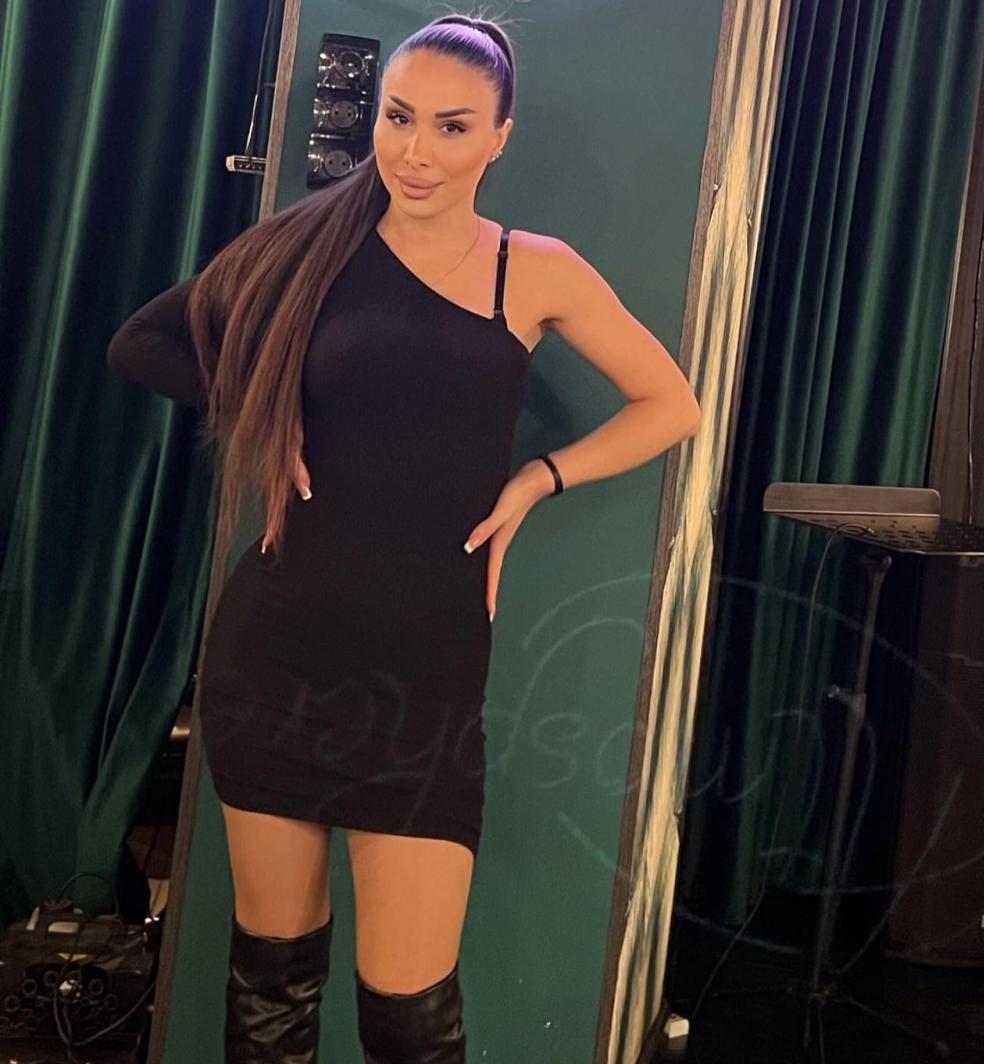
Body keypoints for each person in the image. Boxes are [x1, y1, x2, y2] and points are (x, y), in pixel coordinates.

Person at [107, 12, 701, 1063]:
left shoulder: (534, 270)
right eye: (398, 117)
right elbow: (141, 343)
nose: (415, 150)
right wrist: (265, 410)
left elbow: (671, 405)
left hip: (424, 675)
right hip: (276, 653)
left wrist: (539, 478)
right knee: (269, 987)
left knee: (410, 1015)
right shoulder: (305, 245)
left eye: (451, 126)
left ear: (500, 137)